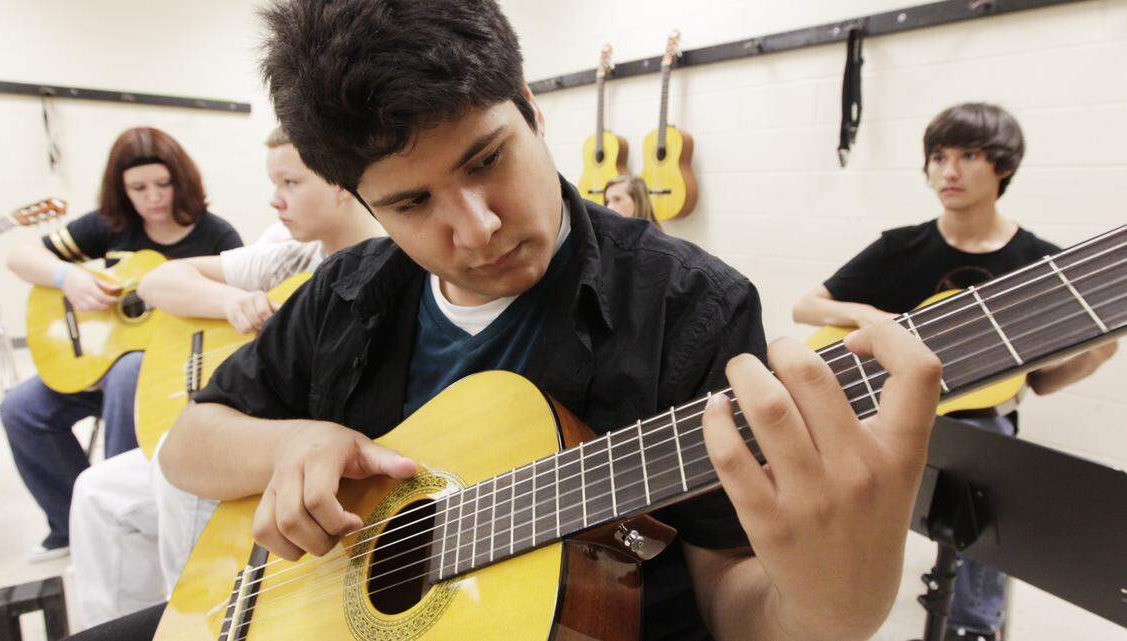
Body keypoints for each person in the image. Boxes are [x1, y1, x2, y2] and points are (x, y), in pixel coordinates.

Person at [73, 2, 944, 639]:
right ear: (360, 202)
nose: (478, 226)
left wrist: (834, 604)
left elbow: (731, 600)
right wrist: (294, 443)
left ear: (529, 106)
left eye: (488, 158)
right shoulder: (347, 292)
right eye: (412, 203)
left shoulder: (689, 306)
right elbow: (187, 446)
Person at [792, 102, 1117, 640]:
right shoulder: (902, 246)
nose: (948, 171)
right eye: (938, 157)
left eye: (968, 156)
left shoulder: (1042, 265)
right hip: (885, 413)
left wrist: (1094, 353)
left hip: (975, 420)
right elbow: (807, 307)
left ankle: (974, 626)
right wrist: (869, 316)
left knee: (994, 470)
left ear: (1003, 167)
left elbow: (1040, 382)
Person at [66, 126, 386, 629]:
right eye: (274, 184)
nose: (275, 200)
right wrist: (232, 302)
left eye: (290, 183)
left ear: (340, 181)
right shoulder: (290, 253)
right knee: (96, 492)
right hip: (252, 426)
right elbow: (157, 280)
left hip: (300, 447)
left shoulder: (381, 267)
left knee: (180, 469)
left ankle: (194, 619)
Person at [0, 127, 242, 561]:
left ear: (181, 179)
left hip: (170, 383)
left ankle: (125, 515)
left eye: (162, 183)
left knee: (130, 371)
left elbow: (234, 314)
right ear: (122, 189)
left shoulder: (216, 236)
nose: (153, 197)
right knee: (21, 408)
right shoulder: (110, 226)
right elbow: (20, 256)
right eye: (138, 188)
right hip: (96, 366)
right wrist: (68, 277)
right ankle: (72, 524)